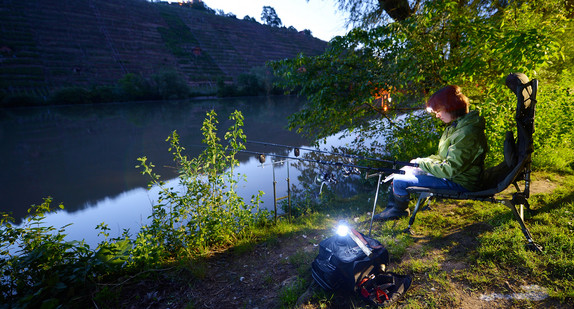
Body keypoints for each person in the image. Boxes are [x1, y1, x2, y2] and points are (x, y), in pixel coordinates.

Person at [373, 85, 488, 221]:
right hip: (455, 177)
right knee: (405, 171)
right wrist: (419, 162)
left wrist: (421, 164)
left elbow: (450, 169)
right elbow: (443, 157)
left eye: (439, 111)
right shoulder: (457, 127)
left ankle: (399, 211)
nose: (437, 115)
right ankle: (395, 208)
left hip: (461, 183)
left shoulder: (466, 133)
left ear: (451, 107)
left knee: (399, 180)